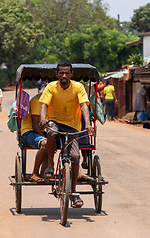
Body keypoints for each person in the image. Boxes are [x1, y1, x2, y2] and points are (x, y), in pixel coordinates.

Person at [39, 61, 94, 208]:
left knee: (75, 157)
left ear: (71, 74)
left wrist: (87, 124)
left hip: (72, 125)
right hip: (55, 122)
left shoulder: (78, 87)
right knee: (50, 131)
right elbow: (44, 105)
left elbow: (84, 105)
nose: (64, 75)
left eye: (67, 73)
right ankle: (50, 165)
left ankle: (74, 192)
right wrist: (43, 119)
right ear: (57, 74)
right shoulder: (51, 87)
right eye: (61, 73)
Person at [20, 93, 47, 182]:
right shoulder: (37, 101)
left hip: (43, 131)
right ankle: (35, 173)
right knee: (45, 143)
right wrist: (46, 139)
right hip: (29, 131)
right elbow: (35, 125)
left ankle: (46, 172)